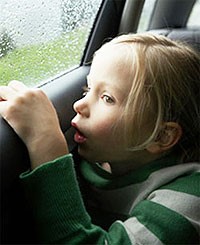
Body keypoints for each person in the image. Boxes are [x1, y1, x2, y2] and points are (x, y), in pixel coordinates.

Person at [0, 33, 199, 244]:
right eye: (87, 89)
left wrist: (46, 141)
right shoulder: (99, 160)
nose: (79, 105)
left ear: (161, 136)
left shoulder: (188, 199)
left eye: (107, 98)